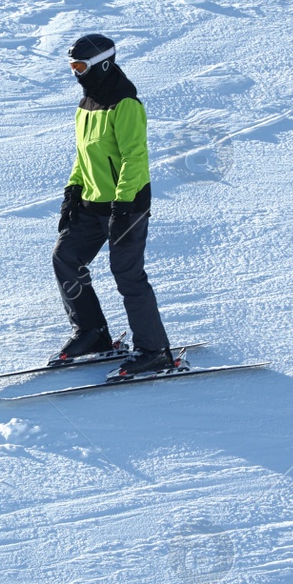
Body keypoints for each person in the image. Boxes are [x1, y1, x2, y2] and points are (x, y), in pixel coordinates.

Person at [52, 33, 175, 379]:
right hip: (92, 204)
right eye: (72, 67)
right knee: (66, 258)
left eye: (81, 66)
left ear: (103, 63)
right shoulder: (86, 105)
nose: (76, 73)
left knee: (127, 275)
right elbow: (84, 155)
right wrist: (73, 192)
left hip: (127, 204)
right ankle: (92, 333)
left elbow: (134, 159)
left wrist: (123, 206)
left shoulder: (126, 104)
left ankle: (154, 351)